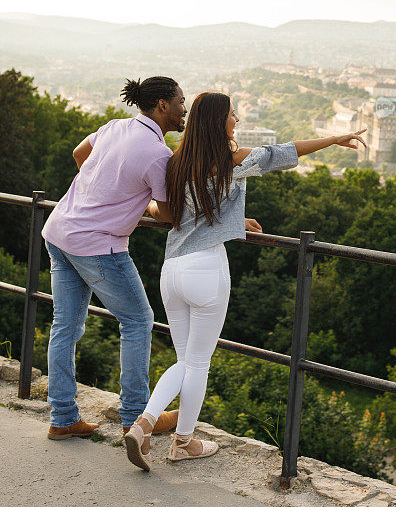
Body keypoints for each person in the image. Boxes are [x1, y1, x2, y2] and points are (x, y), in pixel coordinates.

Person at [123, 91, 366, 470]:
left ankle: (145, 425)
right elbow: (284, 152)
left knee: (184, 359)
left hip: (172, 270)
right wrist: (334, 140)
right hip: (207, 271)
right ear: (220, 121)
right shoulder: (233, 161)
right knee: (198, 363)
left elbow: (184, 211)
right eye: (233, 115)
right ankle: (177, 440)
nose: (236, 120)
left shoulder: (175, 162)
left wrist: (235, 221)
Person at [42, 76, 187, 440]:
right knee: (138, 321)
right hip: (96, 245)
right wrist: (141, 204)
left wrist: (101, 192)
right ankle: (135, 418)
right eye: (182, 101)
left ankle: (62, 419)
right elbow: (168, 215)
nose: (185, 109)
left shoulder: (114, 127)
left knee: (65, 326)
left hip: (60, 231)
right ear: (163, 106)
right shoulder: (159, 155)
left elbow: (79, 155)